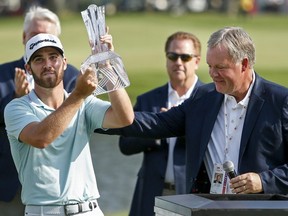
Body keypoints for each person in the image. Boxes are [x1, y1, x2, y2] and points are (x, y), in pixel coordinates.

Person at [96, 26, 288, 195]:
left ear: (244, 64)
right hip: (210, 208)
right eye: (210, 66)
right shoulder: (203, 97)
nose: (212, 74)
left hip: (261, 209)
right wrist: (93, 117)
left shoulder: (280, 101)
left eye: (220, 67)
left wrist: (264, 181)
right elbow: (156, 123)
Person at [4, 32, 133, 216]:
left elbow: (125, 117)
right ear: (28, 68)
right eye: (39, 59)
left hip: (89, 209)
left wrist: (106, 65)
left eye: (53, 57)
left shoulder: (84, 103)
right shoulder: (17, 108)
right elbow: (41, 138)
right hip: (44, 211)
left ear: (64, 62)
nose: (48, 65)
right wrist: (78, 95)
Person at [0, 6, 79, 215]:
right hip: (10, 186)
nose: (40, 41)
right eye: (35, 35)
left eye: (48, 36)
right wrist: (16, 99)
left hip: (60, 186)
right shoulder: (2, 74)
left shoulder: (71, 77)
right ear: (24, 36)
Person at [118, 31, 203, 216]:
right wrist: (157, 131)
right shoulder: (148, 100)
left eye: (185, 57)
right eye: (172, 56)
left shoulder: (209, 99)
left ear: (196, 61)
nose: (178, 62)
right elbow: (125, 144)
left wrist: (178, 128)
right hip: (152, 193)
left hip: (193, 196)